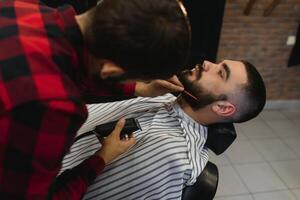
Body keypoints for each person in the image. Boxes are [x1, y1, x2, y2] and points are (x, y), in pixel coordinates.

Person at [0, 0, 191, 199]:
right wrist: (101, 158)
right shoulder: (54, 107)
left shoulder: (21, 7)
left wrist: (136, 87)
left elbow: (63, 63)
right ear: (111, 70)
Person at [60, 59, 266, 199]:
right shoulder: (164, 95)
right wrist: (140, 88)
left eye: (220, 73)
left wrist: (101, 158)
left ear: (222, 108)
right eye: (217, 62)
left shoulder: (172, 155)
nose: (207, 63)